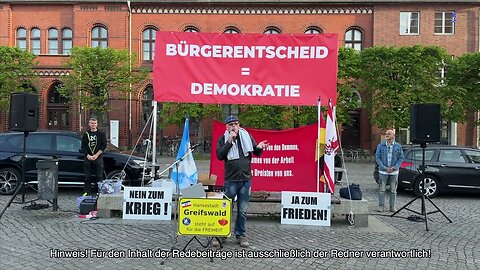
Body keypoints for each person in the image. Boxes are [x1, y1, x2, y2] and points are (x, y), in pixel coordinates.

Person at [215, 115, 268, 248]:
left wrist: (260, 147)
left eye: (236, 124)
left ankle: (240, 235)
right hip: (231, 180)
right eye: (231, 124)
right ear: (226, 126)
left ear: (239, 125)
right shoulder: (223, 139)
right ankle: (221, 234)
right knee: (226, 208)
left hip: (245, 180)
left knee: (242, 210)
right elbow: (220, 155)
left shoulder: (246, 136)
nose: (234, 126)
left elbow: (255, 151)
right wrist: (229, 142)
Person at [375, 129, 404, 212]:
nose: (387, 135)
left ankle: (392, 206)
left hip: (394, 172)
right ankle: (381, 206)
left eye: (389, 134)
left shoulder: (398, 146)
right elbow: (377, 157)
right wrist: (384, 167)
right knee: (382, 189)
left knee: (393, 190)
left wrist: (395, 167)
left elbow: (401, 158)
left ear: (393, 136)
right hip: (383, 171)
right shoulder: (381, 146)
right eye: (386, 134)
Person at [81, 118, 107, 195]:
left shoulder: (101, 134)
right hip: (88, 157)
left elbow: (103, 146)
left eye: (95, 123)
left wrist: (96, 155)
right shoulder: (86, 134)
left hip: (98, 157)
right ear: (89, 124)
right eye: (92, 123)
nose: (93, 125)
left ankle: (99, 191)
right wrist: (87, 155)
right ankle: (86, 192)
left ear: (97, 124)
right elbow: (83, 146)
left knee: (99, 176)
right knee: (87, 176)